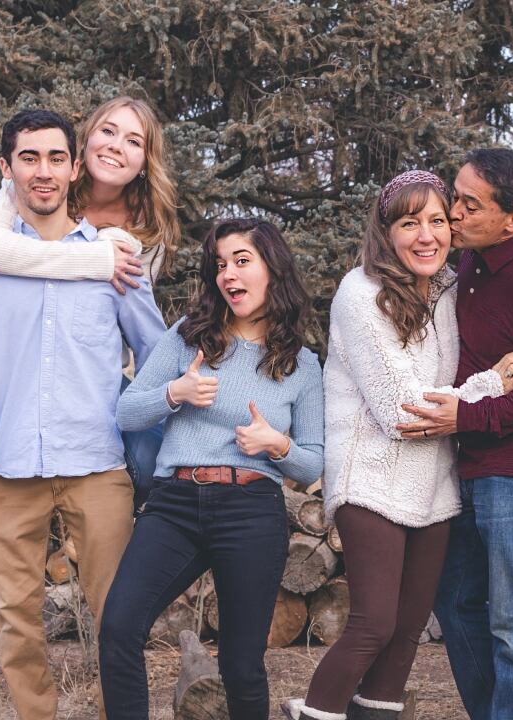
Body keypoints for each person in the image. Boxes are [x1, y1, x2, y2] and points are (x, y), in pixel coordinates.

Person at [0, 109, 167, 720]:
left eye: (56, 157)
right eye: (28, 158)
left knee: (118, 614)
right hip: (10, 466)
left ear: (75, 166)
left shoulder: (117, 260)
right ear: (7, 170)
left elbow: (158, 354)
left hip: (96, 461)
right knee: (16, 620)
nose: (44, 171)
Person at [281, 171, 513, 720]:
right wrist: (487, 387)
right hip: (369, 476)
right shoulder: (361, 292)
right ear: (386, 230)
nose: (426, 235)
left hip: (434, 484)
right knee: (374, 624)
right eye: (409, 222)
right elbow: (401, 413)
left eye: (438, 221)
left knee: (408, 632)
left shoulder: (449, 289)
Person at [99, 218, 324, 719]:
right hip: (174, 504)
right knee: (119, 628)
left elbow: (313, 463)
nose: (229, 274)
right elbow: (127, 411)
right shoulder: (190, 337)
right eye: (221, 264)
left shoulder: (300, 364)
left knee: (242, 664)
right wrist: (175, 393)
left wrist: (277, 444)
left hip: (250, 510)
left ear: (273, 269)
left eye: (242, 261)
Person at [398, 149, 513, 720]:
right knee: (456, 602)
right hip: (475, 464)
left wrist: (466, 416)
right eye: (455, 195)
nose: (452, 213)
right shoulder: (473, 266)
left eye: (469, 205)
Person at [0, 95, 179, 502]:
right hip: (7, 355)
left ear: (146, 161)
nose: (116, 145)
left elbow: (140, 328)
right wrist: (95, 259)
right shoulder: (38, 184)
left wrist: (160, 401)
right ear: (85, 143)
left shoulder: (144, 237)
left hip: (87, 364)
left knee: (153, 462)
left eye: (134, 141)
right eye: (108, 131)